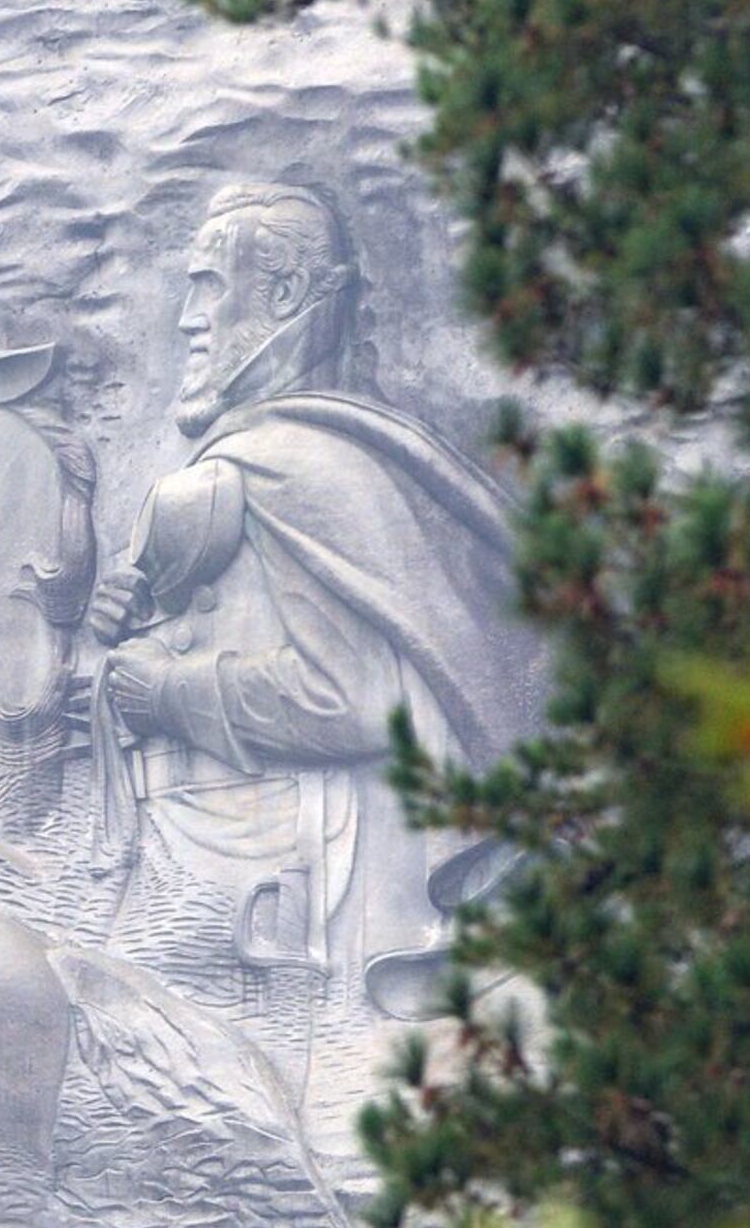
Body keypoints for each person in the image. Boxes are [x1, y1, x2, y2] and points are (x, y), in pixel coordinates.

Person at [89, 183, 544, 1147]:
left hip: (274, 879)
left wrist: (167, 691)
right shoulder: (268, 461)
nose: (186, 316)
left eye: (209, 285)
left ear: (289, 294)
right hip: (220, 852)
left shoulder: (308, 467)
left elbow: (353, 701)